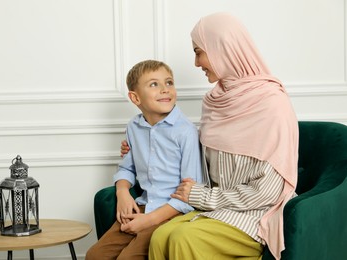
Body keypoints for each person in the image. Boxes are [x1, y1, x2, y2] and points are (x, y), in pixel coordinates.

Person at [121, 13, 299, 260]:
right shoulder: (215, 101)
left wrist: (200, 195)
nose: (196, 63)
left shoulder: (271, 103)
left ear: (222, 49)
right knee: (161, 236)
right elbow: (196, 151)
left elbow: (267, 192)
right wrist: (142, 144)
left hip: (253, 216)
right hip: (213, 210)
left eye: (198, 52)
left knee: (183, 238)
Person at [86, 60, 202, 260]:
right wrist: (122, 192)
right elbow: (127, 168)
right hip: (143, 206)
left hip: (171, 213)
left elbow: (190, 194)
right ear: (135, 97)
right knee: (95, 255)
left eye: (169, 82)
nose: (165, 89)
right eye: (154, 84)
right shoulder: (134, 127)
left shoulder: (186, 132)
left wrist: (148, 221)